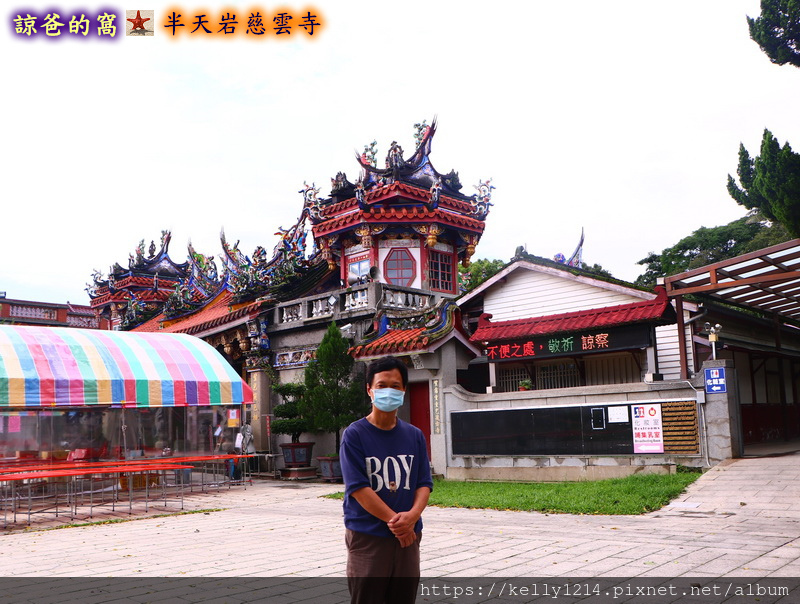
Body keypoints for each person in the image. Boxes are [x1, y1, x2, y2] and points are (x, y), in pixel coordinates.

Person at [339, 355, 433, 604]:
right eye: (381, 385)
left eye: (395, 385)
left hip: (409, 535)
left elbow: (424, 483)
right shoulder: (354, 435)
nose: (388, 391)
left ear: (404, 390)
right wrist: (396, 523)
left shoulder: (414, 435)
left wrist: (411, 518)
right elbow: (358, 488)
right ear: (369, 390)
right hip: (368, 535)